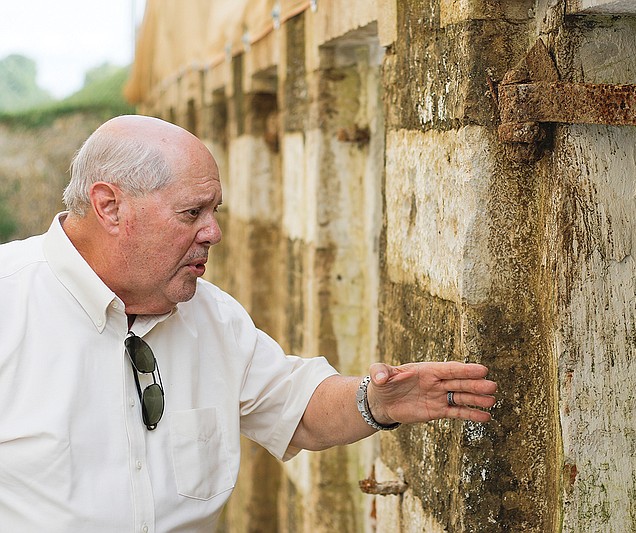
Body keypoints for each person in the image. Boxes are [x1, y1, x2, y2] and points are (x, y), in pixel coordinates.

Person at [0, 115, 496, 532]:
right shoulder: (10, 302)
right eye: (192, 212)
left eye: (214, 211)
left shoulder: (212, 316)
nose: (213, 232)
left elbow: (297, 409)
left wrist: (376, 400)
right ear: (110, 206)